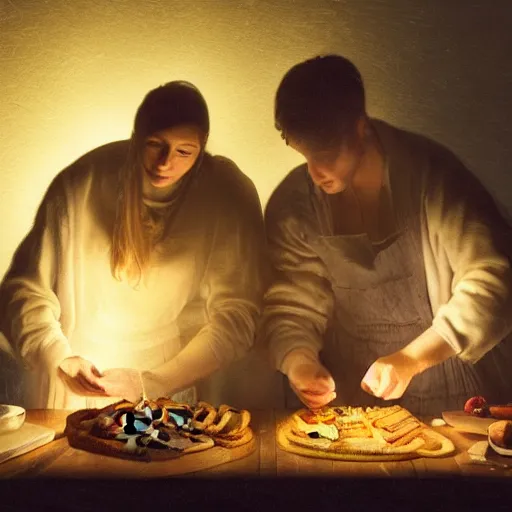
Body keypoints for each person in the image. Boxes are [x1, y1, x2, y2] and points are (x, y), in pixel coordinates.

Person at [260, 54, 512, 416]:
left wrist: (410, 359)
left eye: (327, 154)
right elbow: (291, 301)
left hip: (454, 398)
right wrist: (299, 361)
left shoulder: (432, 177)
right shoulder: (295, 205)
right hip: (351, 406)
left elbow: (495, 279)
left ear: (360, 128)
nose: (317, 172)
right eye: (305, 155)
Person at [0, 81, 266, 410]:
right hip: (76, 389)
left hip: (165, 385)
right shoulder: (82, 183)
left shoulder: (225, 194)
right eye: (155, 144)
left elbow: (238, 315)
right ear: (137, 137)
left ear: (202, 148)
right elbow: (24, 291)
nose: (166, 162)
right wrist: (59, 357)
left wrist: (152, 382)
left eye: (184, 151)